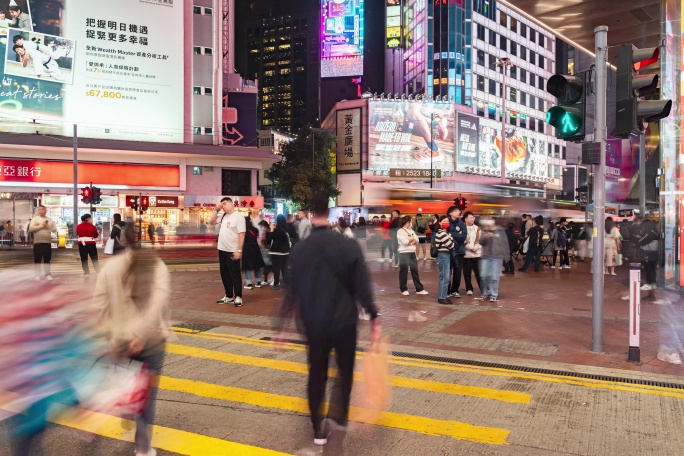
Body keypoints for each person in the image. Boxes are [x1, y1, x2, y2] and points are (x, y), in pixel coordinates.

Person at [277, 195, 380, 446]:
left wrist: (281, 328)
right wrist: (373, 317)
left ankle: (317, 430)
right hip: (344, 320)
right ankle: (340, 419)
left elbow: (291, 291)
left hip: (313, 321)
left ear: (312, 216)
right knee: (344, 373)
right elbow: (362, 286)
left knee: (316, 374)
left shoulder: (300, 249)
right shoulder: (348, 245)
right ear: (330, 215)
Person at [93, 224, 170, 456]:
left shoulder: (110, 267)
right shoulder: (157, 265)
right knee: (147, 396)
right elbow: (158, 303)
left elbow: (99, 304)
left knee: (123, 382)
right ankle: (143, 448)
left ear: (123, 240)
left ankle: (127, 411)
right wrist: (141, 334)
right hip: (151, 340)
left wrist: (110, 335)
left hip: (119, 339)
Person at [210, 197, 246, 307]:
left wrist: (239, 250)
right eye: (222, 204)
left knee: (234, 274)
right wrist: (216, 209)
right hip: (222, 249)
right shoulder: (223, 216)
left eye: (225, 203)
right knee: (224, 274)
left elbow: (242, 234)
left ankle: (238, 296)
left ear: (231, 203)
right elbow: (211, 222)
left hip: (232, 250)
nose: (223, 206)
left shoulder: (238, 217)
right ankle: (229, 296)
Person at [479, 217, 509, 302]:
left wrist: (507, 256)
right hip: (486, 256)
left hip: (497, 256)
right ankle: (484, 293)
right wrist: (485, 237)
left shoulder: (500, 230)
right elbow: (481, 242)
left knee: (494, 277)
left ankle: (493, 294)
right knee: (483, 275)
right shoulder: (484, 230)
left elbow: (505, 243)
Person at [397, 215, 428, 296]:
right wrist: (411, 240)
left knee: (415, 270)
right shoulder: (400, 231)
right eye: (411, 221)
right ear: (407, 222)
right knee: (403, 271)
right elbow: (404, 242)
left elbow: (417, 239)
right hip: (403, 253)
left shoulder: (411, 230)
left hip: (411, 252)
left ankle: (419, 289)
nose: (411, 223)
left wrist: (411, 240)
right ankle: (403, 289)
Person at [28, 205, 56, 281]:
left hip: (47, 242)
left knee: (47, 259)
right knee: (37, 259)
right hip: (37, 242)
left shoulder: (49, 219)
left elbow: (54, 229)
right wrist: (41, 226)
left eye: (42, 209)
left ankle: (47, 274)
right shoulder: (35, 219)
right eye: (39, 210)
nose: (40, 211)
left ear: (45, 211)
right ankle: (37, 274)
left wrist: (48, 227)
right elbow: (30, 229)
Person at [433, 215, 455, 304]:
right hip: (443, 255)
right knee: (444, 277)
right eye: (444, 221)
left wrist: (450, 243)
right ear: (440, 223)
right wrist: (450, 243)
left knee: (446, 276)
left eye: (447, 221)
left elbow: (451, 244)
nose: (446, 223)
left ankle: (443, 296)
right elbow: (451, 245)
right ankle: (442, 297)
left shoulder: (447, 233)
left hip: (446, 255)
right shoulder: (441, 233)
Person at [446, 206, 467, 298]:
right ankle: (447, 290)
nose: (458, 212)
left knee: (458, 271)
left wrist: (451, 234)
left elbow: (463, 236)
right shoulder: (446, 222)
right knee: (447, 271)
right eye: (455, 211)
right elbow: (444, 234)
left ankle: (455, 290)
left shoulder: (461, 223)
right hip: (448, 251)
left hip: (459, 251)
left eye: (459, 211)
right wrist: (456, 234)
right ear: (450, 213)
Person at [266, 214, 291, 290]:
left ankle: (276, 284)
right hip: (286, 252)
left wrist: (271, 229)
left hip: (276, 252)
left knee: (276, 269)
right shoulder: (286, 229)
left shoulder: (277, 231)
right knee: (284, 268)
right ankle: (287, 284)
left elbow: (268, 238)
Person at [462, 211, 482, 296]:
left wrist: (477, 247)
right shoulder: (462, 228)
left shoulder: (477, 228)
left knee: (479, 273)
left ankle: (483, 288)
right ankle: (469, 288)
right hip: (466, 254)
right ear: (465, 219)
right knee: (467, 273)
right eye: (470, 218)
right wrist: (470, 247)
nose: (472, 219)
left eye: (473, 217)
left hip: (477, 254)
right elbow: (462, 240)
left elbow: (480, 240)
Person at [242, 216, 265, 290]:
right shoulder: (255, 230)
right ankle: (258, 282)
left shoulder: (243, 231)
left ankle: (249, 284)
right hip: (255, 248)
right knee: (256, 265)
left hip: (247, 249)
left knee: (247, 266)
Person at [76, 214, 100, 278]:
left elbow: (78, 233)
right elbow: (96, 235)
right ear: (87, 219)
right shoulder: (92, 226)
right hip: (91, 243)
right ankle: (98, 271)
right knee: (94, 258)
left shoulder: (78, 226)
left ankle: (86, 272)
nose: (91, 219)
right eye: (90, 218)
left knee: (84, 259)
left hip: (82, 244)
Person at [637, 219, 659, 291]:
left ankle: (648, 283)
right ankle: (653, 283)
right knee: (652, 269)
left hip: (648, 253)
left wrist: (639, 238)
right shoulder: (655, 232)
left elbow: (641, 241)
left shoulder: (649, 233)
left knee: (648, 268)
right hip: (654, 253)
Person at [258, 219, 273, 286]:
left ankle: (266, 279)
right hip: (266, 248)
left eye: (262, 226)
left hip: (266, 248)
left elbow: (262, 240)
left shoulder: (265, 231)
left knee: (268, 264)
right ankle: (267, 279)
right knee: (269, 264)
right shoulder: (268, 231)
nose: (261, 228)